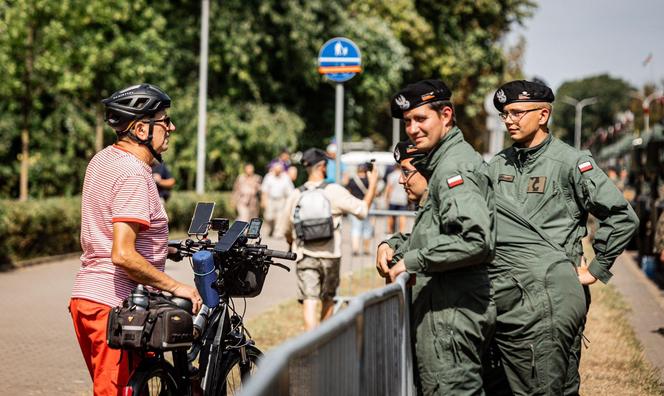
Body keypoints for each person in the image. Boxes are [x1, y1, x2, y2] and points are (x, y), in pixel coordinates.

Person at [489, 80, 639, 395]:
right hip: (507, 296)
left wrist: (596, 269)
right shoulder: (497, 164)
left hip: (550, 299)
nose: (510, 121)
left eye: (517, 113)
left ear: (543, 115)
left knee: (549, 386)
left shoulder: (569, 162)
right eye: (505, 114)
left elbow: (621, 216)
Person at [69, 83, 202, 396]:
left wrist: (161, 249)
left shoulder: (102, 160)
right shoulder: (133, 174)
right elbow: (123, 255)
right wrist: (177, 286)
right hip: (115, 306)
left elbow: (99, 228)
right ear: (142, 128)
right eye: (164, 120)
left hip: (87, 299)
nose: (171, 127)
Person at [376, 80, 496, 395]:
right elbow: (435, 232)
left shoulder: (453, 167)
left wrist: (411, 261)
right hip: (444, 308)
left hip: (450, 316)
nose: (413, 129)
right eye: (407, 122)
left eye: (420, 119)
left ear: (445, 115)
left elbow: (475, 240)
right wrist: (393, 245)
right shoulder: (443, 161)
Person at [282, 148, 378, 331]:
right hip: (331, 254)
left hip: (304, 254)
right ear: (323, 167)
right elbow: (362, 211)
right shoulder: (334, 191)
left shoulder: (296, 194)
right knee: (328, 299)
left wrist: (291, 243)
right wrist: (372, 184)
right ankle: (323, 344)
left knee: (309, 300)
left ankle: (310, 344)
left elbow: (286, 228)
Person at [345, 163, 376, 256]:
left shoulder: (352, 180)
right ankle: (366, 249)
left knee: (355, 227)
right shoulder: (369, 180)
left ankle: (355, 249)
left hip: (355, 205)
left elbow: (348, 193)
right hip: (368, 205)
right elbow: (375, 192)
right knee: (367, 227)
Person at [261, 161, 294, 237]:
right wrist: (263, 201)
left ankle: (278, 233)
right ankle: (270, 229)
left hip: (281, 200)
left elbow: (290, 191)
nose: (278, 171)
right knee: (269, 217)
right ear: (273, 169)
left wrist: (289, 202)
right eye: (276, 169)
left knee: (280, 217)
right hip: (270, 199)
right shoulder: (268, 176)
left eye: (279, 169)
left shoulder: (286, 177)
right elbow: (264, 190)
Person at [384, 163, 409, 234]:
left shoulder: (391, 175)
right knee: (402, 216)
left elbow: (389, 188)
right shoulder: (404, 175)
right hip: (402, 199)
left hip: (393, 199)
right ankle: (402, 231)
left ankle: (389, 231)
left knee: (391, 216)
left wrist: (386, 198)